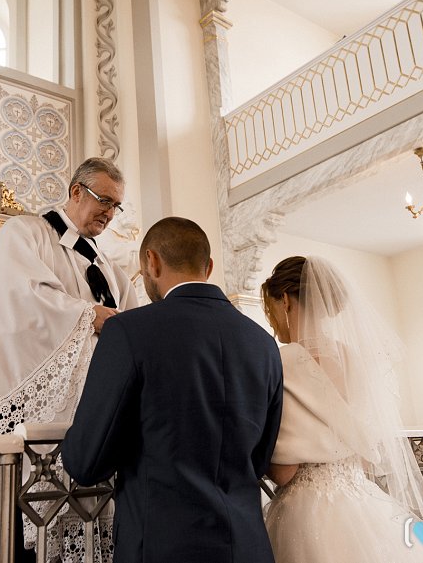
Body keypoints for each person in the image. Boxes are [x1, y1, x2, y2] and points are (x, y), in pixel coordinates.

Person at [62, 217, 283, 563]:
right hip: (247, 546)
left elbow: (86, 462)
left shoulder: (128, 331)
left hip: (161, 546)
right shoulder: (263, 343)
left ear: (151, 261)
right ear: (209, 267)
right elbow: (259, 459)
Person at [0, 157, 139, 560]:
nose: (110, 213)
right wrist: (87, 316)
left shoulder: (107, 265)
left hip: (89, 430)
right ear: (76, 192)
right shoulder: (25, 234)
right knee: (20, 541)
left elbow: (131, 322)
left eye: (116, 206)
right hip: (25, 431)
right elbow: (18, 301)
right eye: (104, 201)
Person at [260, 256, 423, 563]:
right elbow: (365, 452)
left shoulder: (283, 362)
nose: (271, 320)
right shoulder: (355, 359)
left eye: (270, 309)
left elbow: (283, 472)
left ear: (284, 300)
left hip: (306, 511)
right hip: (364, 499)